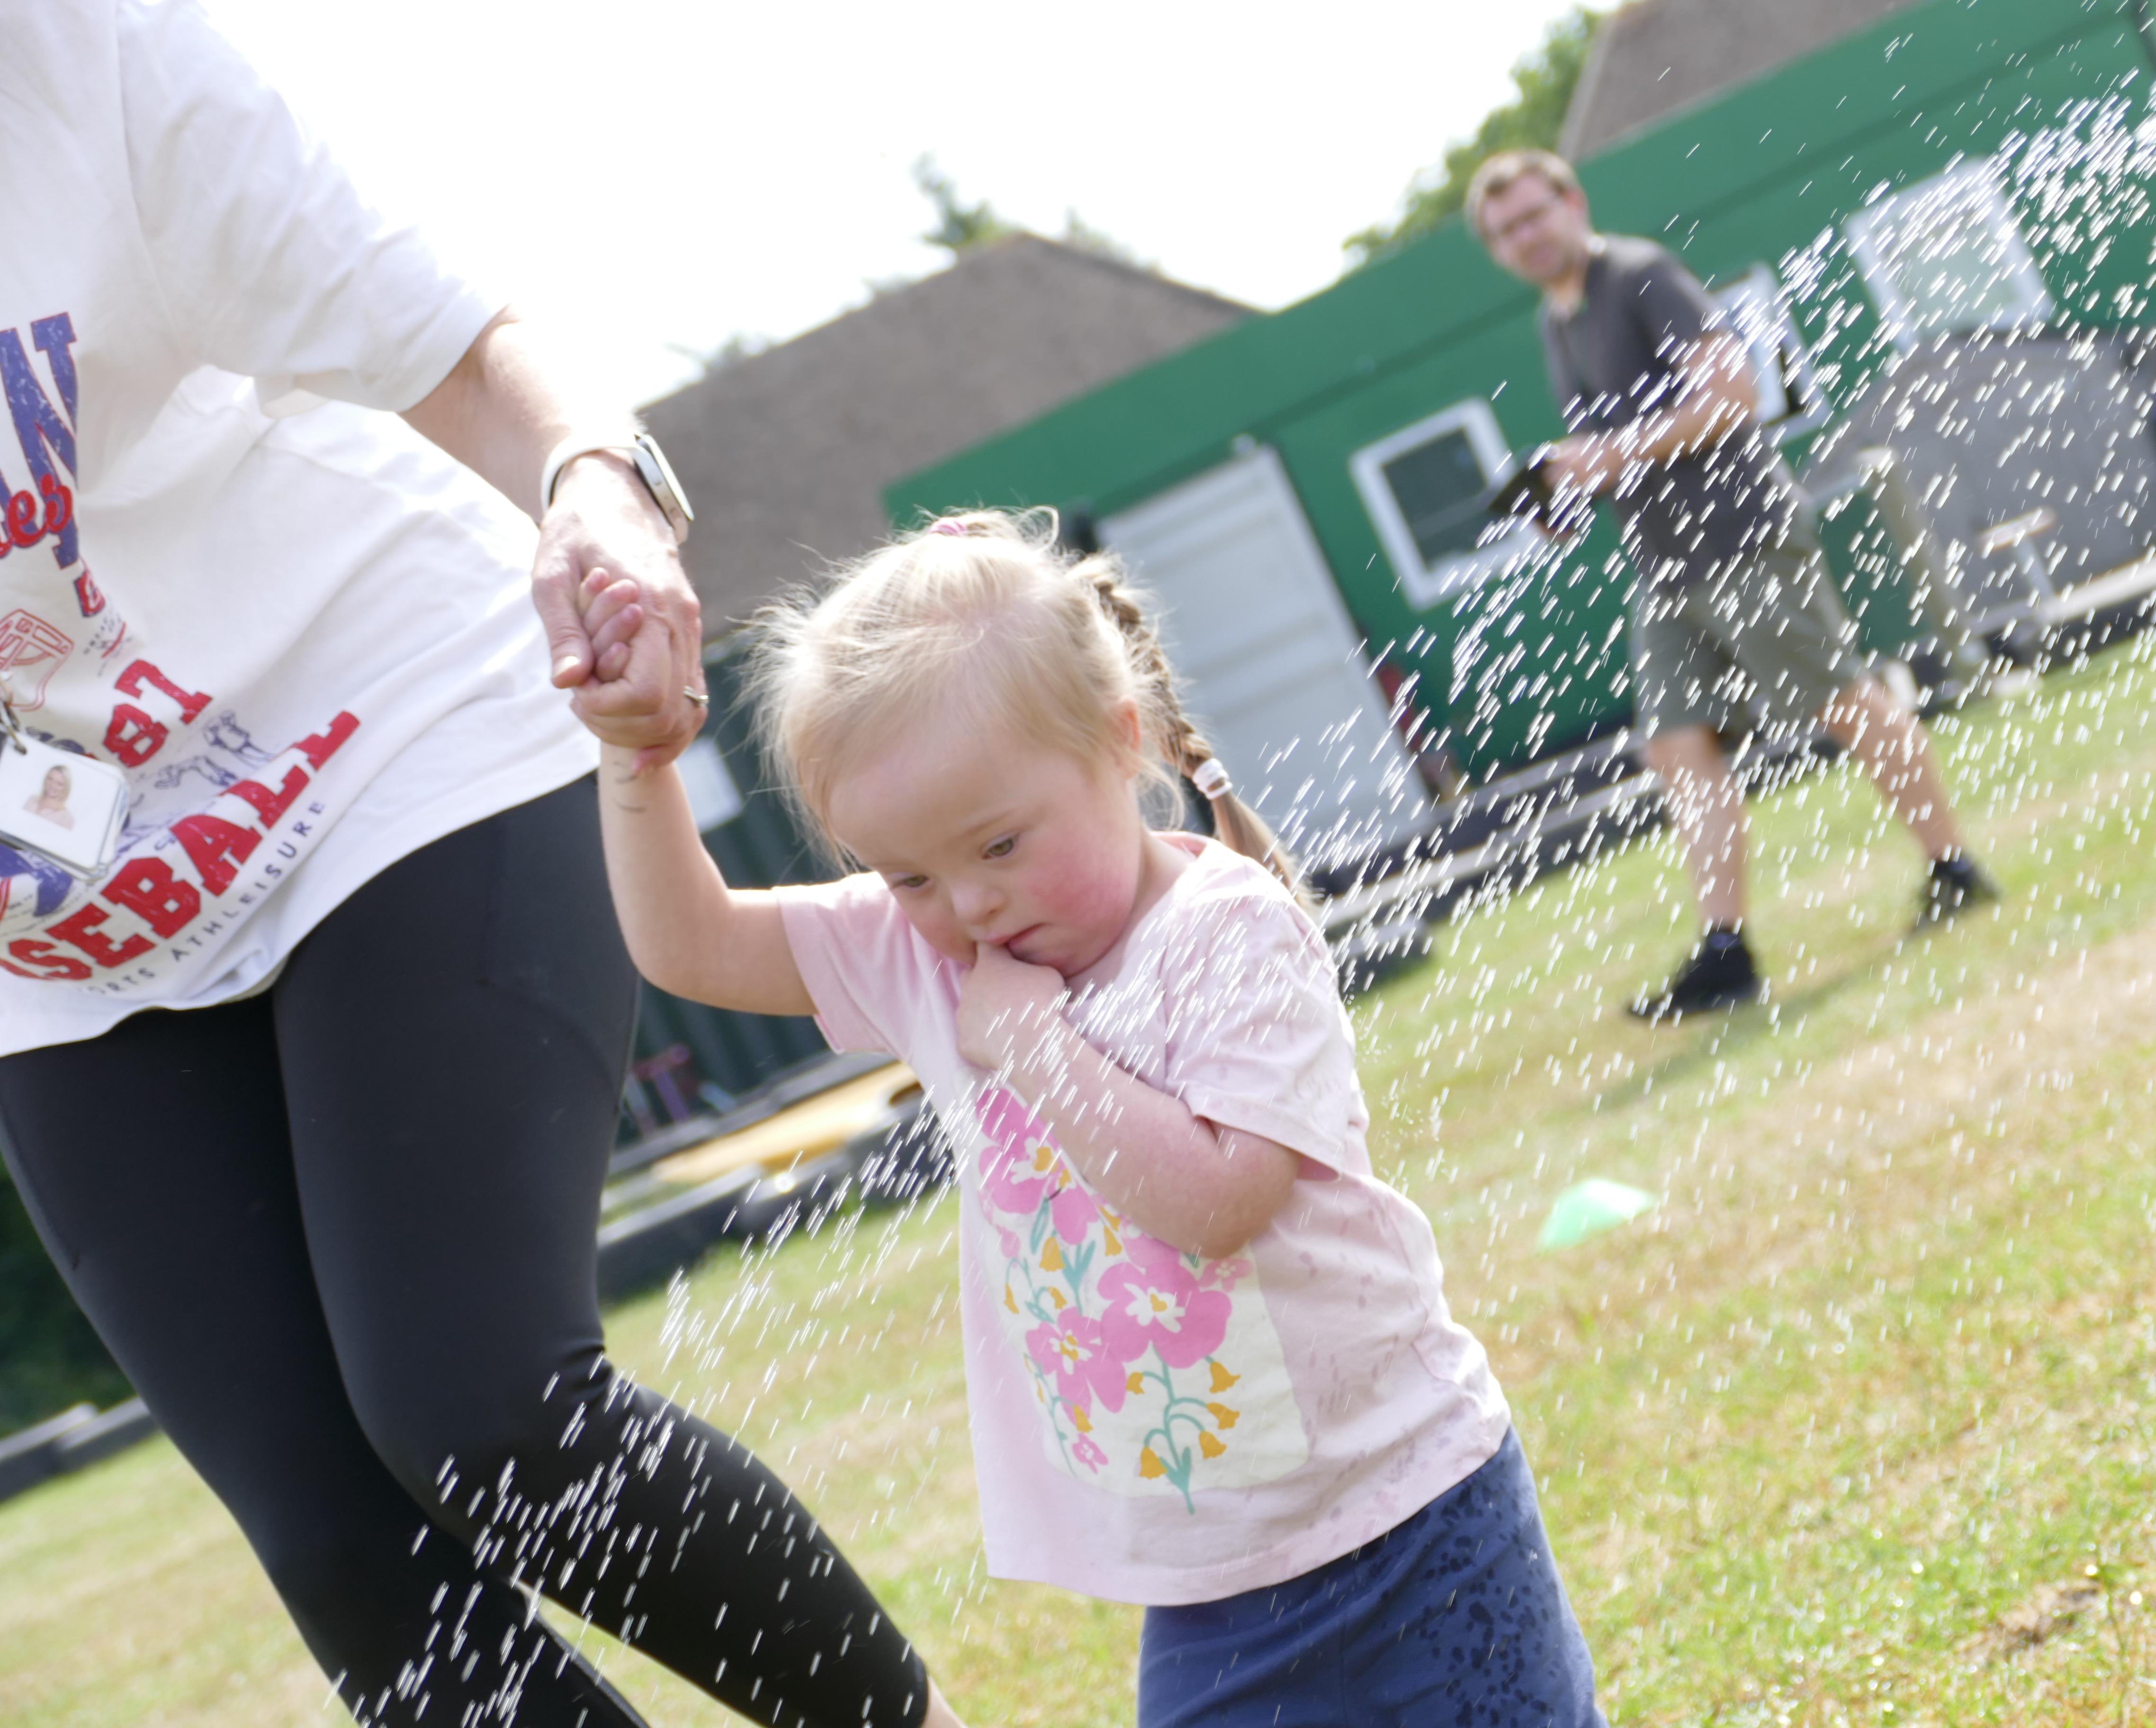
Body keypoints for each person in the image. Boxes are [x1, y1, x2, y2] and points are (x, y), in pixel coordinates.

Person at [0, 4, 959, 1724]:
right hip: (62, 918)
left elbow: (462, 349)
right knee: (341, 1544)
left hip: (380, 726)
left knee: (483, 1410)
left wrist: (593, 487)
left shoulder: (83, 62)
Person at [591, 510, 1605, 1727]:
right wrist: (637, 761)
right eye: (908, 876)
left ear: (1120, 744)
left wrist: (1032, 1042)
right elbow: (691, 945)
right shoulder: (928, 958)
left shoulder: (1222, 932)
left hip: (1418, 1515)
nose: (970, 905)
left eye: (1000, 845)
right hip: (1209, 1591)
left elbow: (1220, 1201)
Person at [1469, 148, 1999, 1020]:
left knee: (1843, 702)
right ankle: (1727, 954)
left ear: (1573, 201)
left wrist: (1608, 453)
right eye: (1504, 231)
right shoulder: (1555, 323)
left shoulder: (1638, 276)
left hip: (1742, 539)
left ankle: (1955, 867)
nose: (1524, 237)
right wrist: (1571, 487)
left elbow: (1732, 396)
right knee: (1676, 746)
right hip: (1664, 567)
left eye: (1533, 215)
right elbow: (1626, 442)